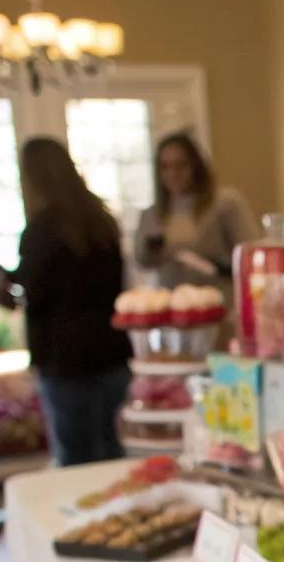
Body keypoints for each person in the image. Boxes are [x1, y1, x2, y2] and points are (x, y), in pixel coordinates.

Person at [16, 137, 130, 466]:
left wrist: (7, 285)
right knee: (112, 449)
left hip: (64, 358)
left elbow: (34, 294)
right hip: (110, 349)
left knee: (73, 456)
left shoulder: (42, 229)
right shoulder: (101, 222)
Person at [134, 132, 256, 307]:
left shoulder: (224, 205)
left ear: (195, 166)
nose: (173, 174)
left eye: (181, 166)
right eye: (165, 167)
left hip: (219, 305)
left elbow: (248, 253)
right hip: (172, 307)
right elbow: (141, 260)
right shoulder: (153, 214)